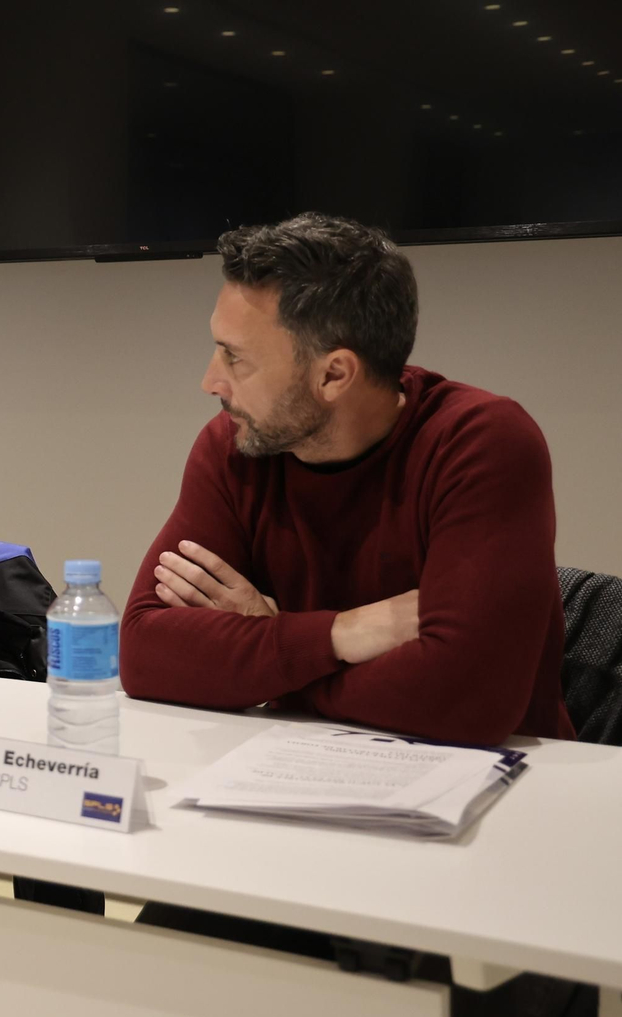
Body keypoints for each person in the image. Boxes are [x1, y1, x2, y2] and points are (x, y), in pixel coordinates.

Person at [120, 212, 574, 746]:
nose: (210, 381)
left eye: (235, 358)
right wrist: (344, 633)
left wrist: (274, 650)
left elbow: (468, 699)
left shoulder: (480, 443)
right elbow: (144, 652)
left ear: (334, 375)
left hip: (504, 780)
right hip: (299, 765)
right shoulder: (234, 447)